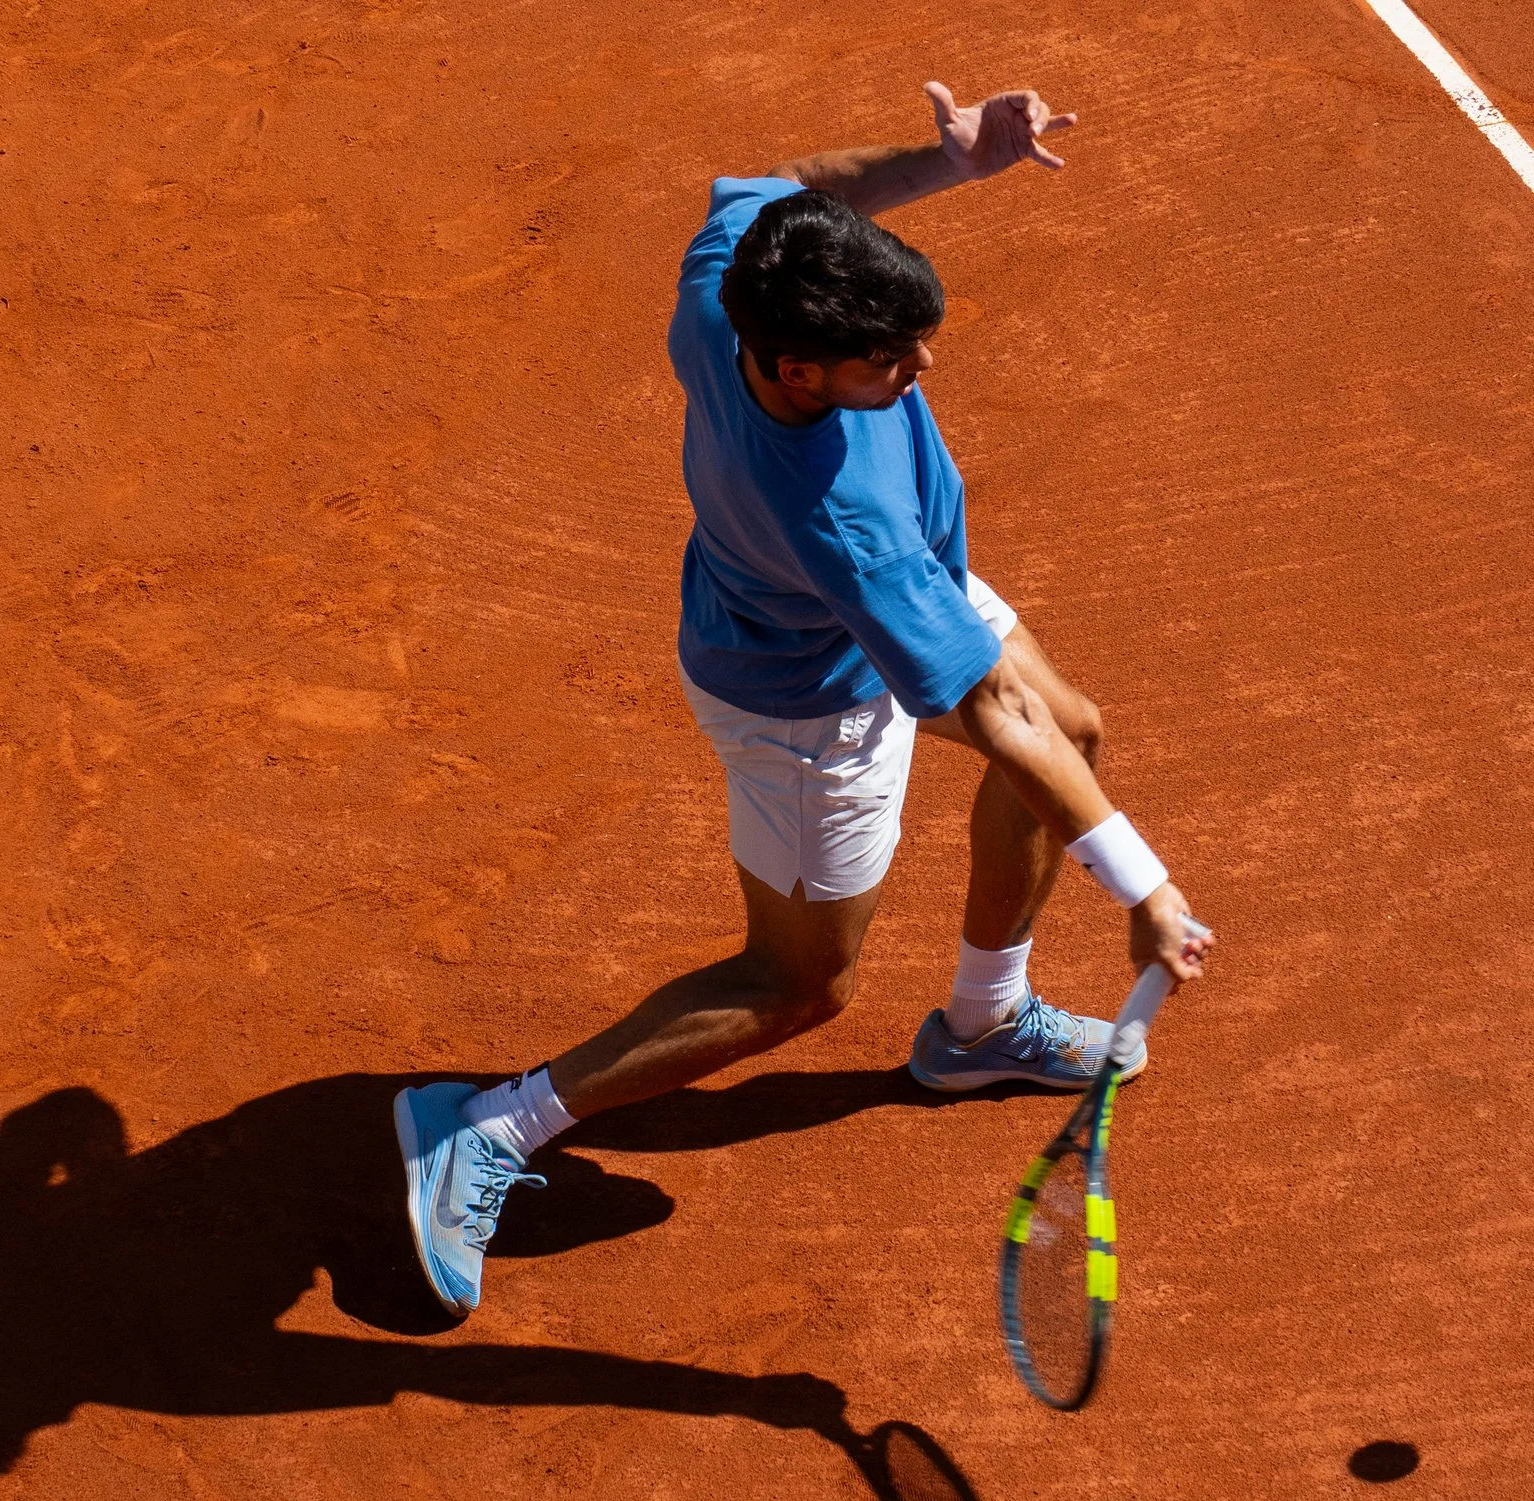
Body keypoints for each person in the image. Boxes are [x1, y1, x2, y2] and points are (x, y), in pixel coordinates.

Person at [397, 82, 1214, 1316]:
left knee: (1075, 730)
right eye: (890, 360)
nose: (920, 367)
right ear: (796, 367)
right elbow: (990, 706)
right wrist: (1146, 889)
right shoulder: (843, 520)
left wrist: (943, 166)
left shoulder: (734, 277)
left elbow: (795, 185)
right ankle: (491, 1124)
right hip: (803, 696)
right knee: (795, 984)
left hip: (910, 598)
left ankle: (982, 1025)